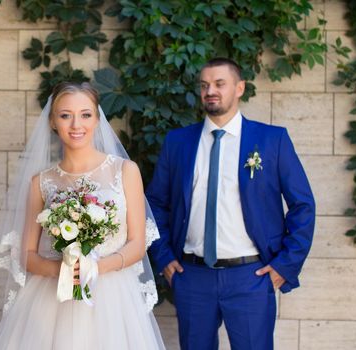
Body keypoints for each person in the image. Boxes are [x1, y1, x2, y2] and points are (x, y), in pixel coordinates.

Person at [147, 57, 316, 350]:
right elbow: (154, 204)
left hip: (250, 276)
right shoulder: (178, 142)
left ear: (239, 88)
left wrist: (284, 265)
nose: (210, 91)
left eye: (219, 84)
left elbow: (303, 206)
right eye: (204, 85)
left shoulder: (271, 140)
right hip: (192, 276)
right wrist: (163, 258)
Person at [0, 82, 165, 349]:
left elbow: (138, 243)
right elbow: (27, 255)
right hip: (52, 297)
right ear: (53, 122)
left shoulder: (125, 171)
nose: (76, 124)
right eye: (65, 115)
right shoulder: (41, 182)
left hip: (113, 297)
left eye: (85, 114)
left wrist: (95, 267)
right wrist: (62, 270)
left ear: (97, 118)